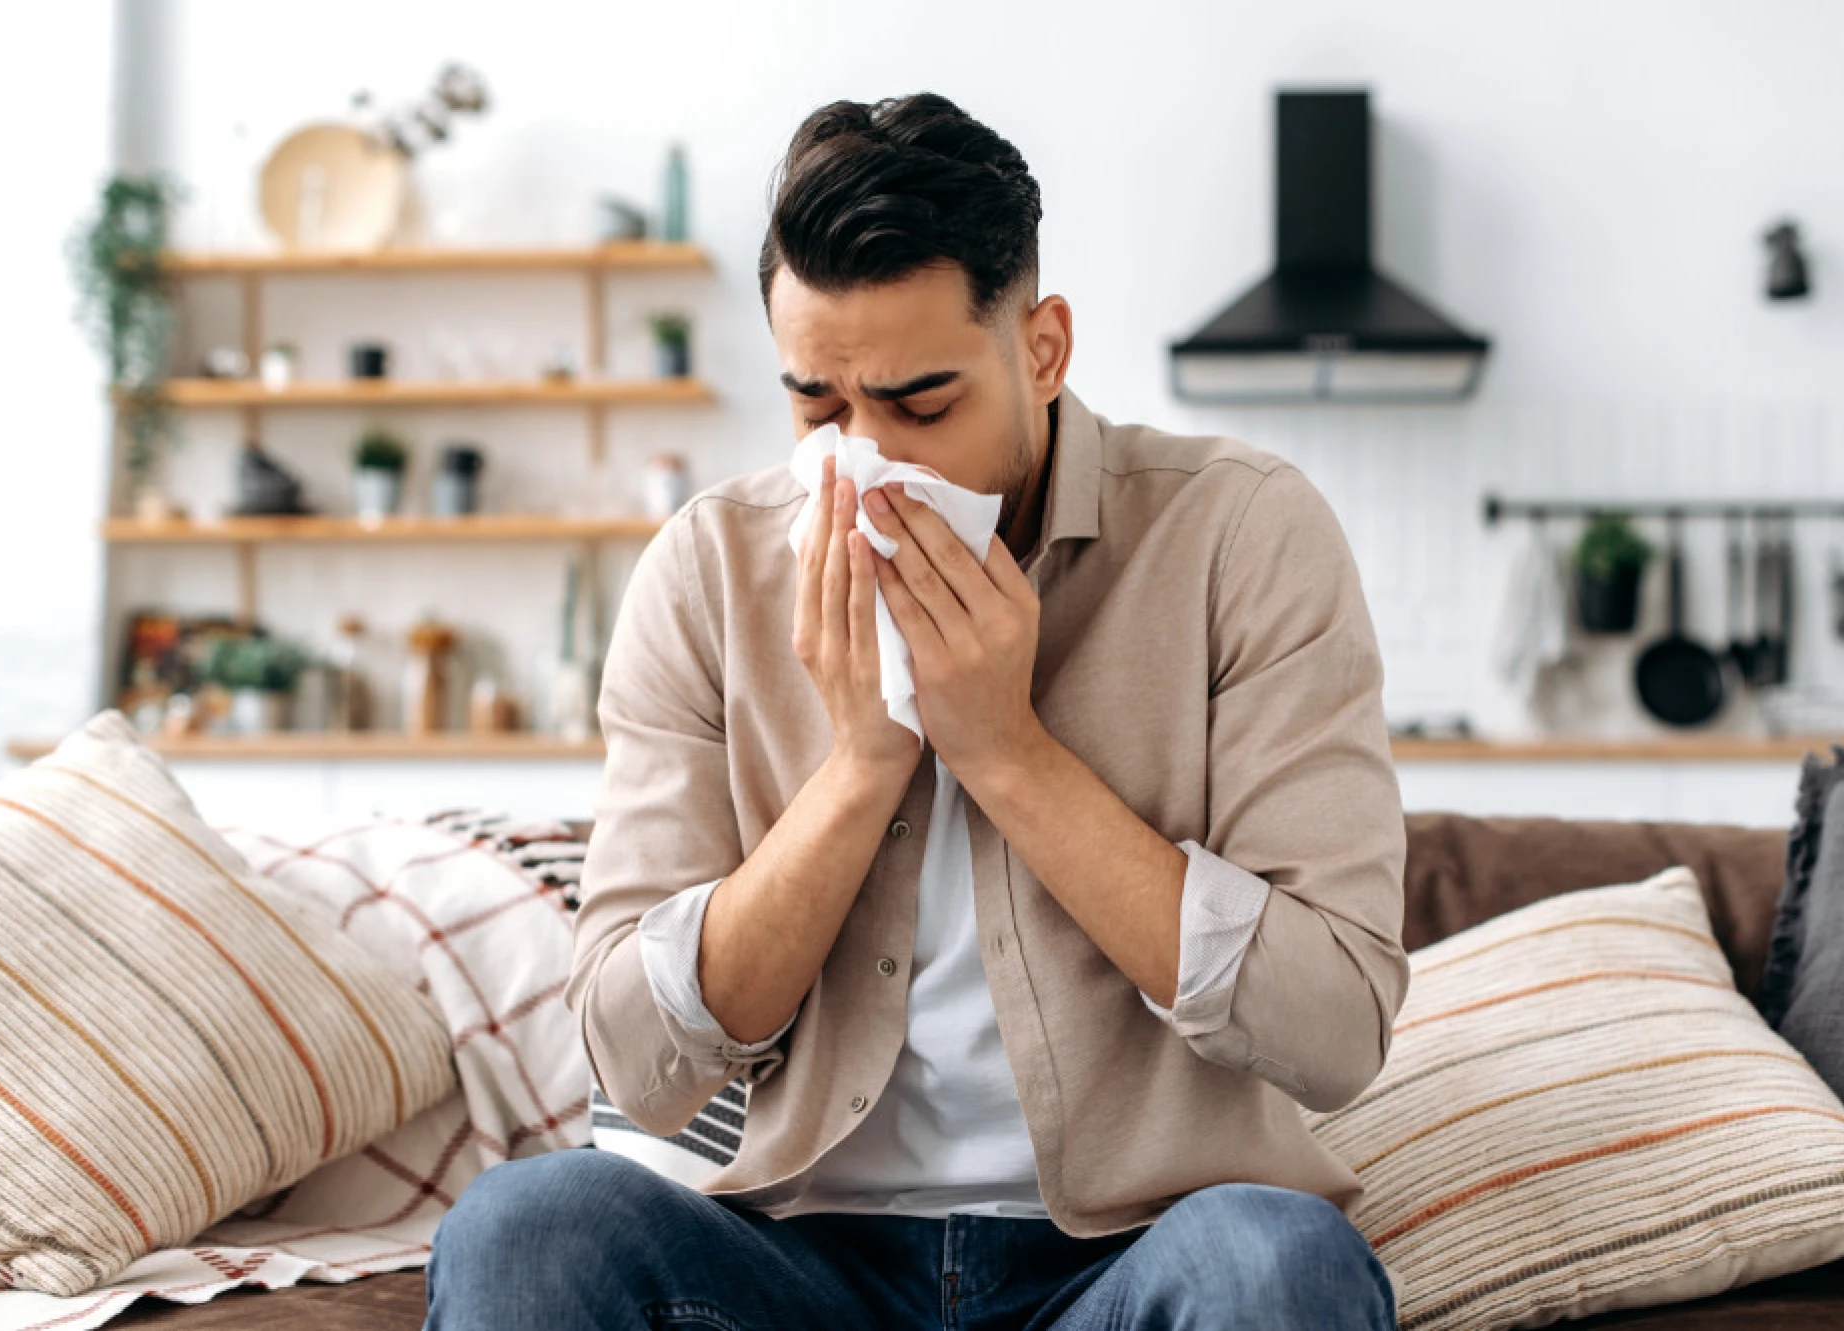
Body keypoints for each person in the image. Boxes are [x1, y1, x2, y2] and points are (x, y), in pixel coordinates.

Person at [426, 91, 1407, 1330]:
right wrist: (860, 762)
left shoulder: (1238, 533)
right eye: (817, 408)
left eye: (920, 405)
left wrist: (1005, 749)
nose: (862, 459)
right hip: (801, 1262)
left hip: (1132, 1253)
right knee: (524, 1229)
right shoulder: (708, 566)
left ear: (1041, 350)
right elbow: (638, 1058)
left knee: (1274, 1263)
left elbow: (1332, 1028)